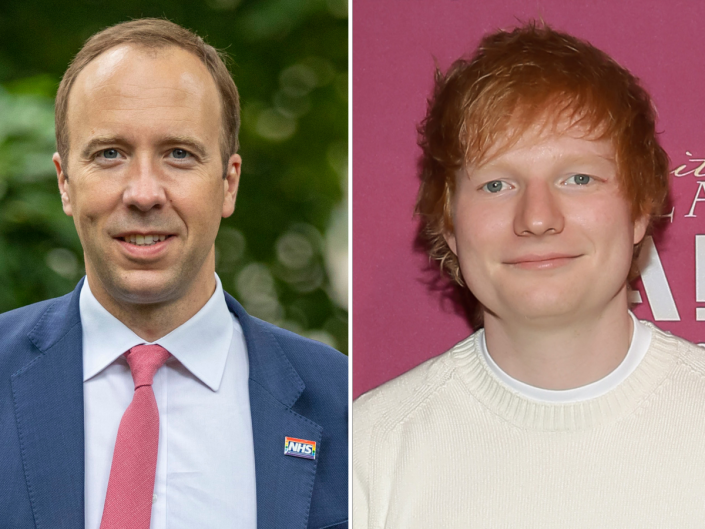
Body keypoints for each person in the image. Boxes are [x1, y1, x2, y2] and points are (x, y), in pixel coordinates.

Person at [353, 23, 705, 527]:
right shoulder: (369, 450)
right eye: (497, 184)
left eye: (578, 178)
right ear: (450, 225)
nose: (537, 218)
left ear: (639, 209)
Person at [0, 18, 347, 529]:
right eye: (110, 154)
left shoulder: (345, 403)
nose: (144, 193)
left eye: (178, 154)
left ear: (228, 184)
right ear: (65, 183)